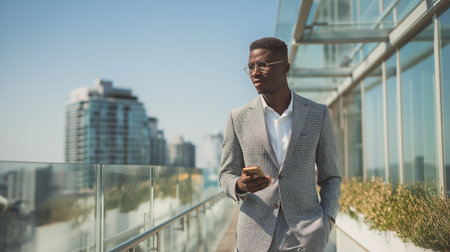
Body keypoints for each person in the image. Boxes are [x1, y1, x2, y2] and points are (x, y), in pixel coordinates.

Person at [219, 37, 342, 252]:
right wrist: (239, 185)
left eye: (262, 65)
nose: (254, 72)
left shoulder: (317, 114)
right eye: (250, 66)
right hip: (254, 239)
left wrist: (328, 220)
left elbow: (330, 176)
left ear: (285, 67)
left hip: (306, 238)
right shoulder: (237, 118)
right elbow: (225, 174)